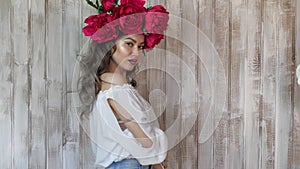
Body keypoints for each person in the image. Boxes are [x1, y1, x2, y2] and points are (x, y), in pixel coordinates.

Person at [78, 0, 169, 168]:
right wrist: (157, 158)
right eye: (129, 44)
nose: (136, 53)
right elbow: (145, 141)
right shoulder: (115, 92)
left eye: (140, 46)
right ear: (110, 44)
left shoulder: (113, 88)